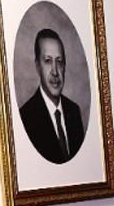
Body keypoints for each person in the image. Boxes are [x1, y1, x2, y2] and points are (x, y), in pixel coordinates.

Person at [17, 28, 86, 164]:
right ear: (38, 66)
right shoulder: (25, 118)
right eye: (48, 61)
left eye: (59, 61)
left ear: (64, 66)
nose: (55, 71)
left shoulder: (74, 112)